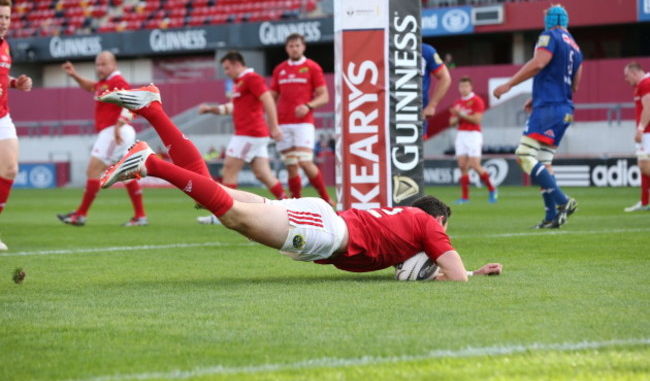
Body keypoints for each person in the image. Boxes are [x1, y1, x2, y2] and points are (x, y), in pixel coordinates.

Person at [97, 84, 503, 281]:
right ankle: (150, 162)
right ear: (435, 219)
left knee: (212, 195)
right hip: (326, 232)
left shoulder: (404, 229)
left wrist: (473, 271)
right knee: (232, 216)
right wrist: (468, 274)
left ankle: (152, 107)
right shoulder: (427, 224)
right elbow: (455, 274)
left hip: (325, 221)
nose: (441, 241)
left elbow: (427, 270)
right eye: (443, 233)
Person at [493, 5, 582, 228]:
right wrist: (538, 96)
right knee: (544, 160)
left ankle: (563, 202)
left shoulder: (549, 35)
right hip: (564, 108)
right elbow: (575, 85)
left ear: (551, 19)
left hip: (549, 107)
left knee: (523, 154)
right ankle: (551, 216)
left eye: (545, 16)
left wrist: (509, 84)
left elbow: (539, 63)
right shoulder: (576, 48)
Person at [56, 51, 148, 227]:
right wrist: (74, 75)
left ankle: (81, 215)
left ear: (114, 65)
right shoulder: (105, 83)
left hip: (114, 131)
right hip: (118, 131)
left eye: (104, 64)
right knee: (126, 174)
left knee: (92, 171)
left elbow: (133, 102)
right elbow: (92, 87)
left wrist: (119, 124)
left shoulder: (117, 81)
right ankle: (140, 216)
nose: (100, 67)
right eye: (97, 64)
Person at [197, 51, 287, 200]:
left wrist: (274, 126)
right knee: (263, 174)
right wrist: (210, 109)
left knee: (229, 170)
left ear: (237, 64)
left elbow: (268, 100)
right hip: (252, 134)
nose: (226, 72)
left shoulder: (252, 78)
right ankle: (289, 204)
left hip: (249, 133)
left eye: (227, 68)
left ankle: (226, 211)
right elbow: (232, 108)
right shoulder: (238, 83)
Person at [270, 33, 333, 204]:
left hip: (303, 123)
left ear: (303, 47)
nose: (294, 48)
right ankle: (296, 203)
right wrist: (270, 123)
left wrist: (308, 106)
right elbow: (271, 98)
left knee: (305, 162)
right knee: (291, 164)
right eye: (291, 46)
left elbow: (324, 96)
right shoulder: (280, 69)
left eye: (297, 45)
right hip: (283, 123)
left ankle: (326, 199)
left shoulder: (312, 67)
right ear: (286, 48)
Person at [0, 0, 33, 251]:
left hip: (2, 115)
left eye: (7, 17)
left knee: (10, 168)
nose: (3, 22)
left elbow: (3, 74)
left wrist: (14, 83)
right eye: (0, 17)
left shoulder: (5, 46)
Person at [449, 76, 497, 204]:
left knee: (475, 165)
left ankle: (492, 189)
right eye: (461, 86)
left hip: (473, 135)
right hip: (461, 135)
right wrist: (458, 116)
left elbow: (477, 120)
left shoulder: (477, 100)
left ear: (471, 87)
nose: (463, 89)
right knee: (462, 166)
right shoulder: (457, 103)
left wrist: (461, 114)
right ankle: (465, 197)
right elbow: (452, 122)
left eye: (466, 86)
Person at [623, 62, 650, 212]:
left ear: (634, 73)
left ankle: (645, 202)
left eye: (627, 76)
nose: (626, 79)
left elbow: (649, 106)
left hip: (647, 132)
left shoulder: (645, 83)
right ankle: (645, 202)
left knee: (644, 165)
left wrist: (640, 128)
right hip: (646, 131)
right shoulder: (642, 84)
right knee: (643, 166)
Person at [422, 43, 452, 139]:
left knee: (416, 151)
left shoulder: (425, 51)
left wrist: (432, 105)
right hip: (391, 114)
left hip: (418, 115)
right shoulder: (386, 48)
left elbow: (445, 78)